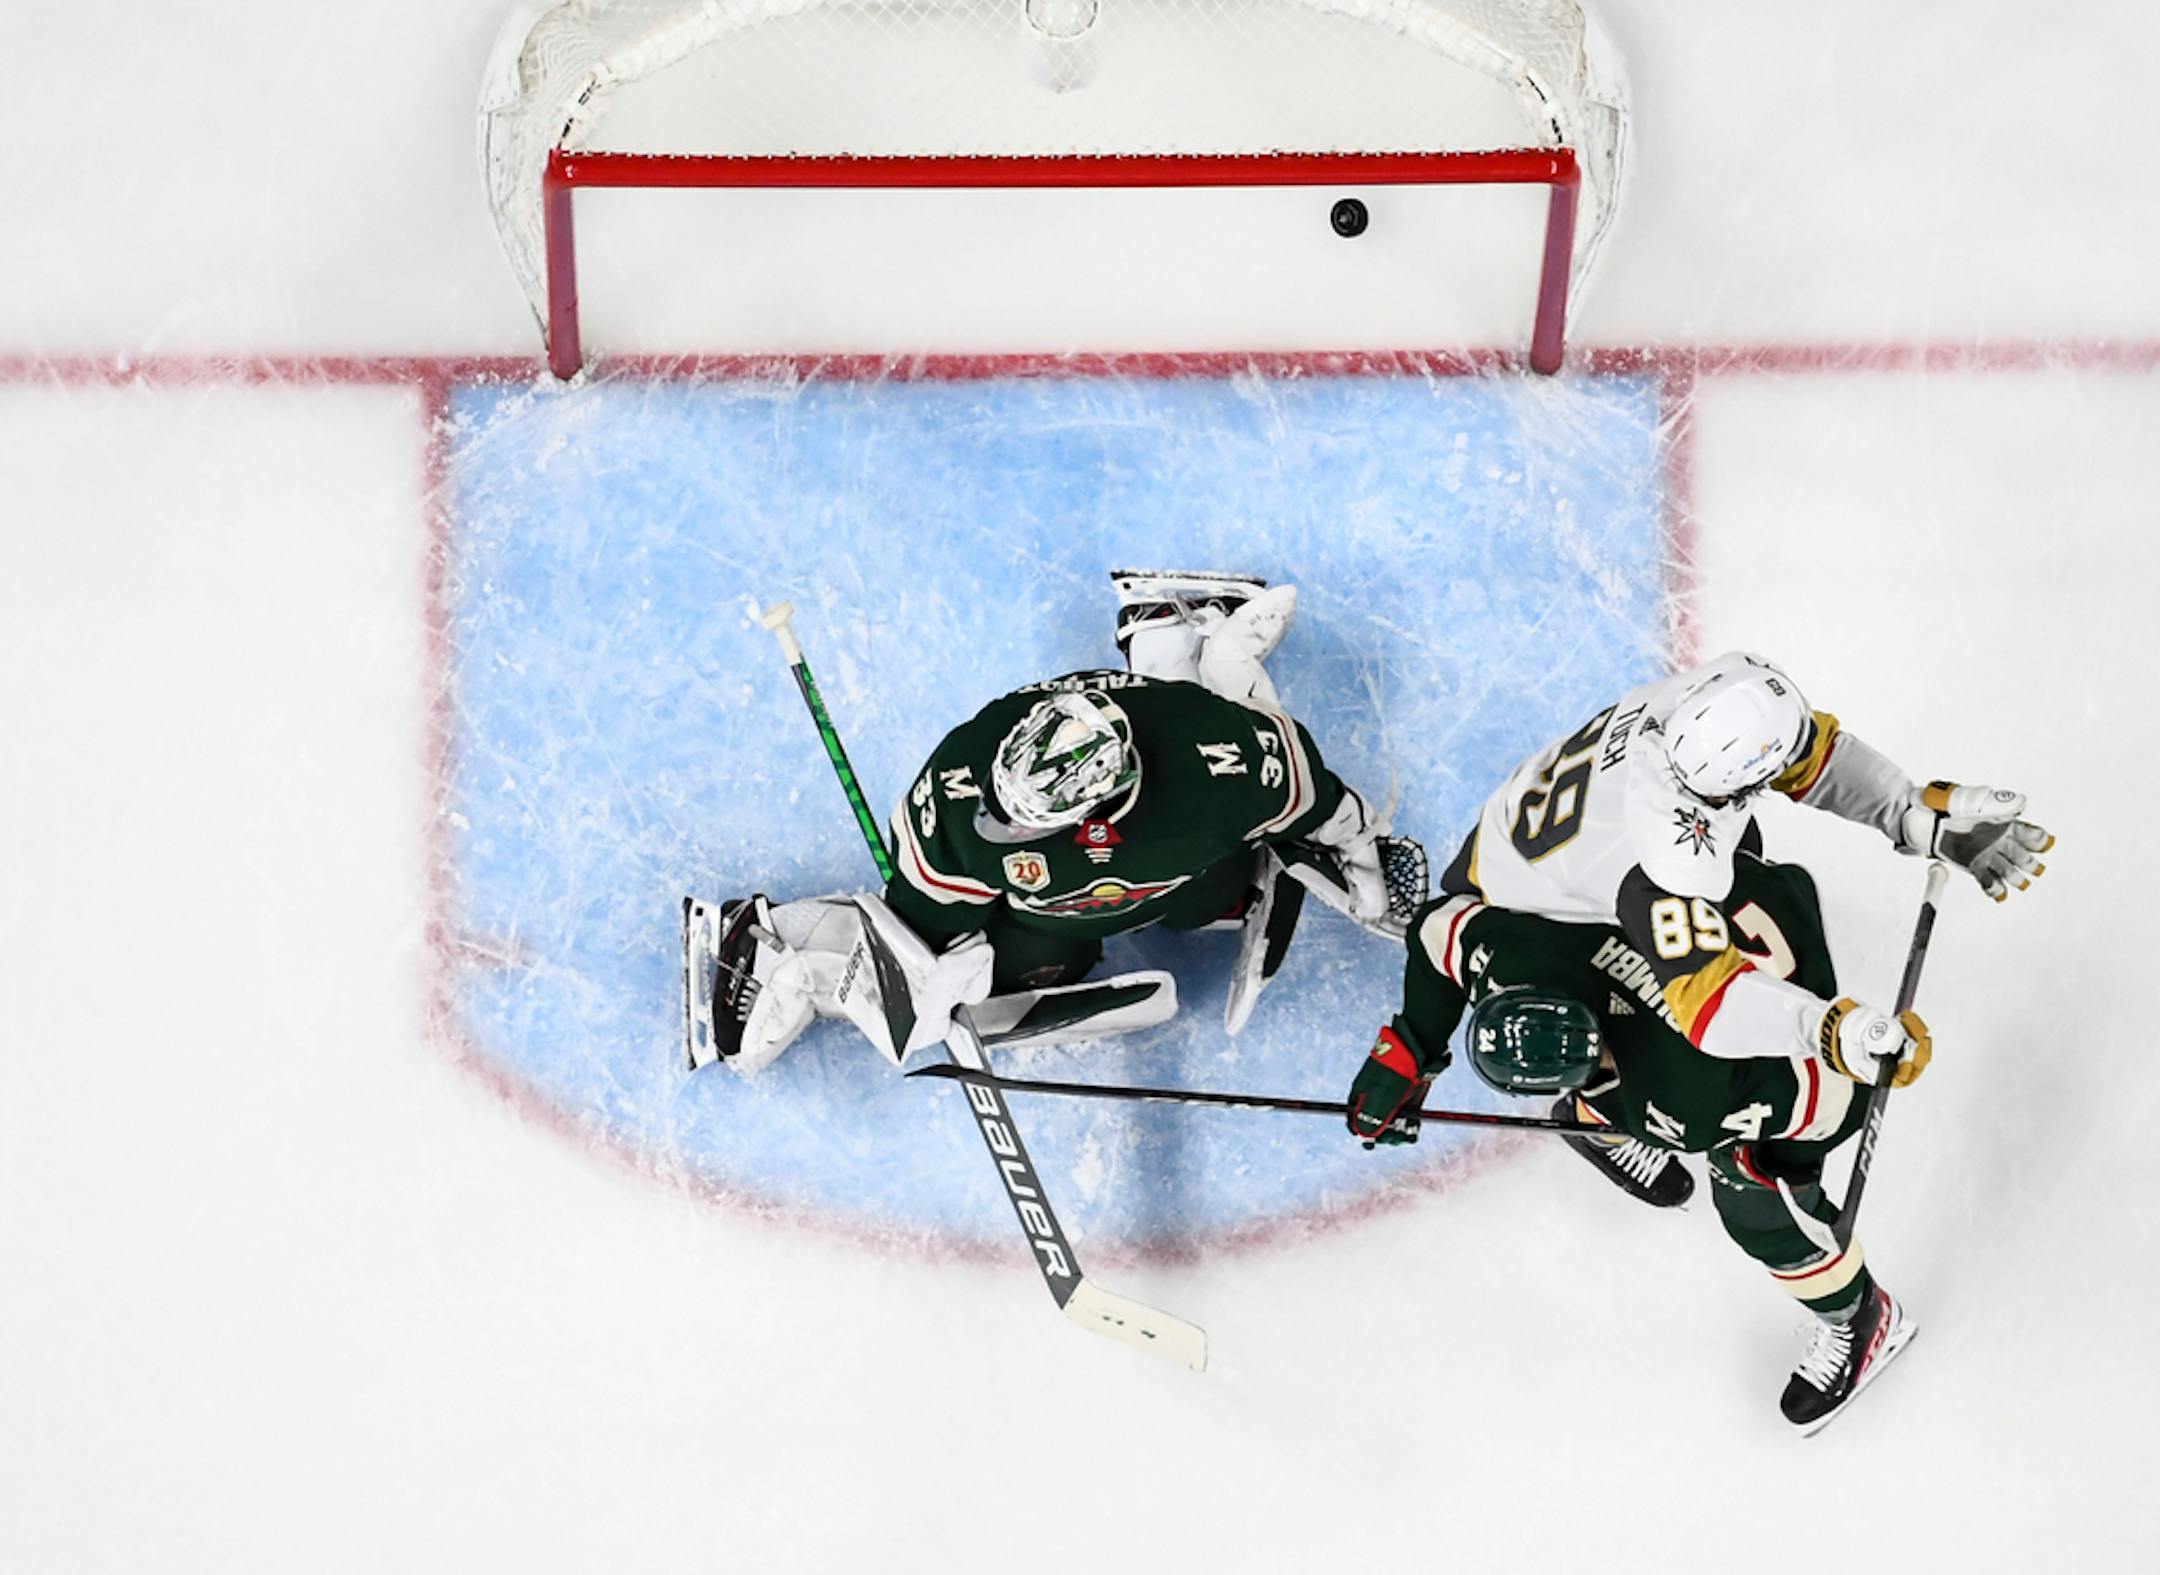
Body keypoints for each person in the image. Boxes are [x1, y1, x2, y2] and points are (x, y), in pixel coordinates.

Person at [1345, 651, 2052, 1428]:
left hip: (1535, 868)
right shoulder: (1653, 872)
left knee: (1694, 1125)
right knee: (1688, 1100)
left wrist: (1911, 815)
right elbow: (1709, 1002)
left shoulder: (1696, 715)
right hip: (1551, 888)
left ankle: (1848, 1307)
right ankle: (1618, 1123)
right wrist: (1833, 1032)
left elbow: (1808, 757)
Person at [684, 571, 1423, 1077]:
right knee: (1019, 971)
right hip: (1060, 906)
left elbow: (1306, 783)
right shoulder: (965, 784)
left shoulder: (1212, 767)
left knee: (1214, 900)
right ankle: (769, 939)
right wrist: (923, 977)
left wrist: (1353, 840)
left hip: (1175, 818)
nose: (997, 823)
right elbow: (919, 918)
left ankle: (1197, 646)